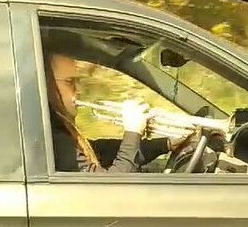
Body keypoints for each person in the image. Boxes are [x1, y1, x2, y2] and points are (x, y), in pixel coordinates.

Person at [45, 51, 188, 172]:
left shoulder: (56, 132)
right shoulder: (57, 141)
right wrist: (133, 131)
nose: (79, 90)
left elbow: (99, 151)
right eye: (70, 82)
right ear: (47, 84)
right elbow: (110, 189)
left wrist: (166, 144)